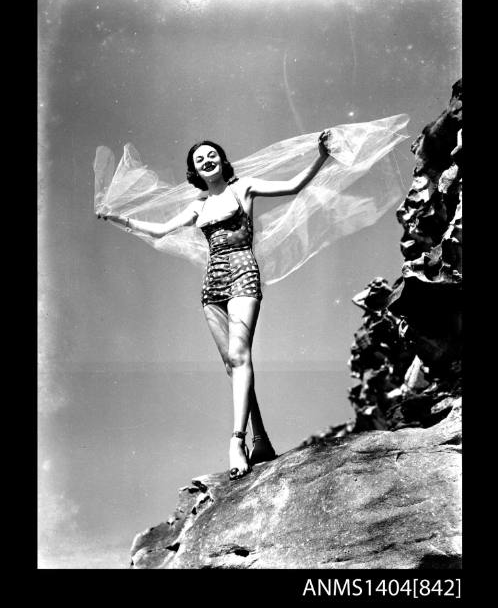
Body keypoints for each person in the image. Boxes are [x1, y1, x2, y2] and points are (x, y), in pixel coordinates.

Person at [98, 133, 331, 480]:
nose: (206, 161)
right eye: (199, 160)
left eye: (212, 155)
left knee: (240, 357)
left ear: (222, 160)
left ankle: (237, 440)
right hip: (212, 286)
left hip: (243, 276)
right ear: (195, 171)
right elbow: (161, 230)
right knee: (231, 365)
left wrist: (321, 156)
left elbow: (294, 185)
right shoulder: (198, 206)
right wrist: (118, 218)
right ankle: (261, 439)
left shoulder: (244, 188)